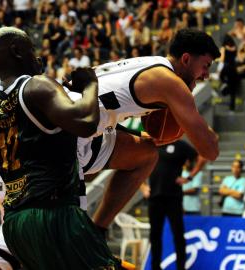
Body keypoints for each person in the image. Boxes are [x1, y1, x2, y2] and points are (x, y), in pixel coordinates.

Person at [0, 26, 123, 270]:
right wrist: (90, 85)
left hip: (15, 226)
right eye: (32, 49)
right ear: (17, 50)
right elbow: (86, 124)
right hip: (55, 214)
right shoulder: (37, 86)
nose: (37, 57)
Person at [72, 28, 220, 230]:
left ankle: (97, 231)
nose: (206, 75)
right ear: (186, 59)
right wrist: (193, 127)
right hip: (66, 134)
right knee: (67, 235)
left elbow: (107, 108)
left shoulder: (150, 63)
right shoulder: (171, 82)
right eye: (205, 66)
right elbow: (210, 150)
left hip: (74, 122)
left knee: (146, 153)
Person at [140, 140, 207, 270]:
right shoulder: (153, 143)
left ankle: (181, 267)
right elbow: (136, 162)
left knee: (178, 234)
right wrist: (143, 186)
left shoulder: (181, 145)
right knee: (155, 235)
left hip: (173, 197)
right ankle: (155, 267)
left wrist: (189, 178)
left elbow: (202, 158)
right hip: (154, 197)